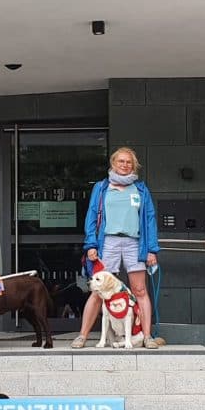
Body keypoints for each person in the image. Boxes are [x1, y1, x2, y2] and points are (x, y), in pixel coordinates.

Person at [72, 147, 161, 349]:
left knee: (140, 290)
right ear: (113, 164)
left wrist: (152, 249)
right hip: (108, 242)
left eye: (129, 162)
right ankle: (82, 335)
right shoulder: (102, 188)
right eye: (121, 161)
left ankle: (147, 336)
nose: (125, 165)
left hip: (134, 243)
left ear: (134, 165)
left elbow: (149, 219)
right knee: (98, 290)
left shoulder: (140, 189)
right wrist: (91, 244)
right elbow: (92, 216)